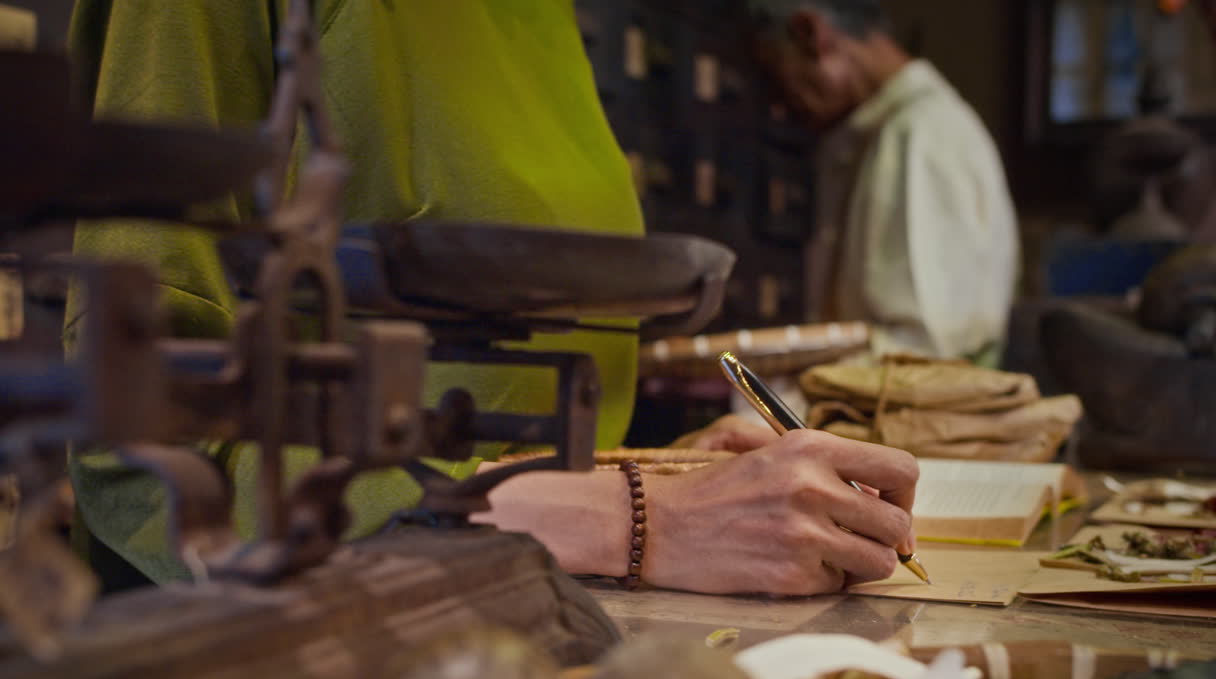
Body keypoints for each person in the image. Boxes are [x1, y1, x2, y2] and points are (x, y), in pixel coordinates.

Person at [66, 0, 919, 597]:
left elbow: (495, 417)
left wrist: (659, 475)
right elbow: (142, 458)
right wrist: (640, 521)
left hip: (534, 604)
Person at [754, 0, 1020, 365]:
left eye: (774, 73)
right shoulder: (884, 131)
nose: (780, 104)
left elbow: (923, 350)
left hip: (914, 398)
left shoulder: (921, 135)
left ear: (810, 35)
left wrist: (773, 384)